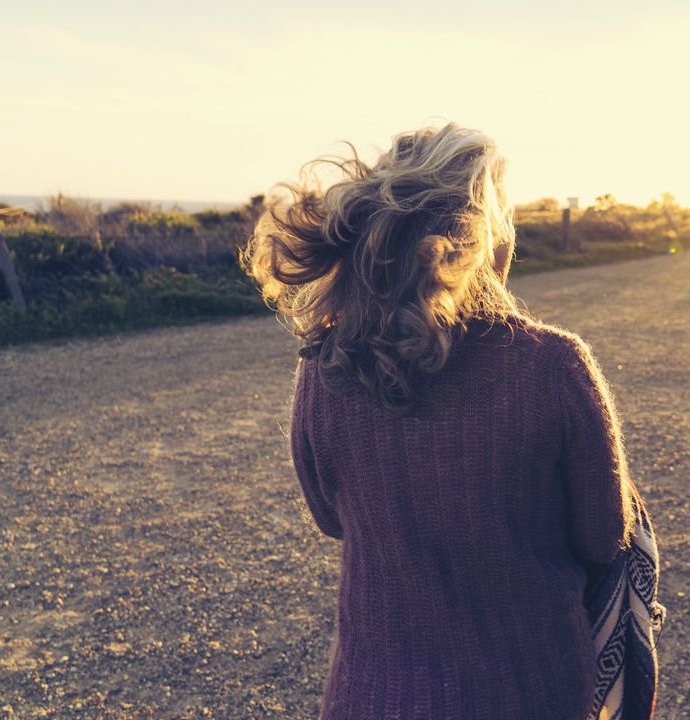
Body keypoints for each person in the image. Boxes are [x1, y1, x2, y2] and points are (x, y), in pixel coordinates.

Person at [240, 122, 648, 720]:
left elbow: (332, 519)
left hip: (371, 696)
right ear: (484, 239)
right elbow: (602, 535)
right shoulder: (552, 365)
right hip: (529, 691)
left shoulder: (328, 361)